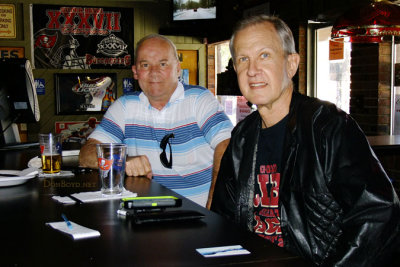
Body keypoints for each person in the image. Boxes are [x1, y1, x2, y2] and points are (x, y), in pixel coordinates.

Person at [210, 15, 400, 266]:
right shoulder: (242, 137)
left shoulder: (328, 127)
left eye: (264, 55)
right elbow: (224, 219)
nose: (252, 70)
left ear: (291, 64)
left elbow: (379, 214)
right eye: (243, 59)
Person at [79, 34, 233, 207]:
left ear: (177, 69)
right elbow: (86, 155)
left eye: (162, 64)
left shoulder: (199, 99)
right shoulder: (124, 106)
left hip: (199, 217)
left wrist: (215, 203)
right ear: (136, 72)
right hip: (145, 216)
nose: (154, 72)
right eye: (145, 65)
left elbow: (226, 146)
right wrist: (123, 160)